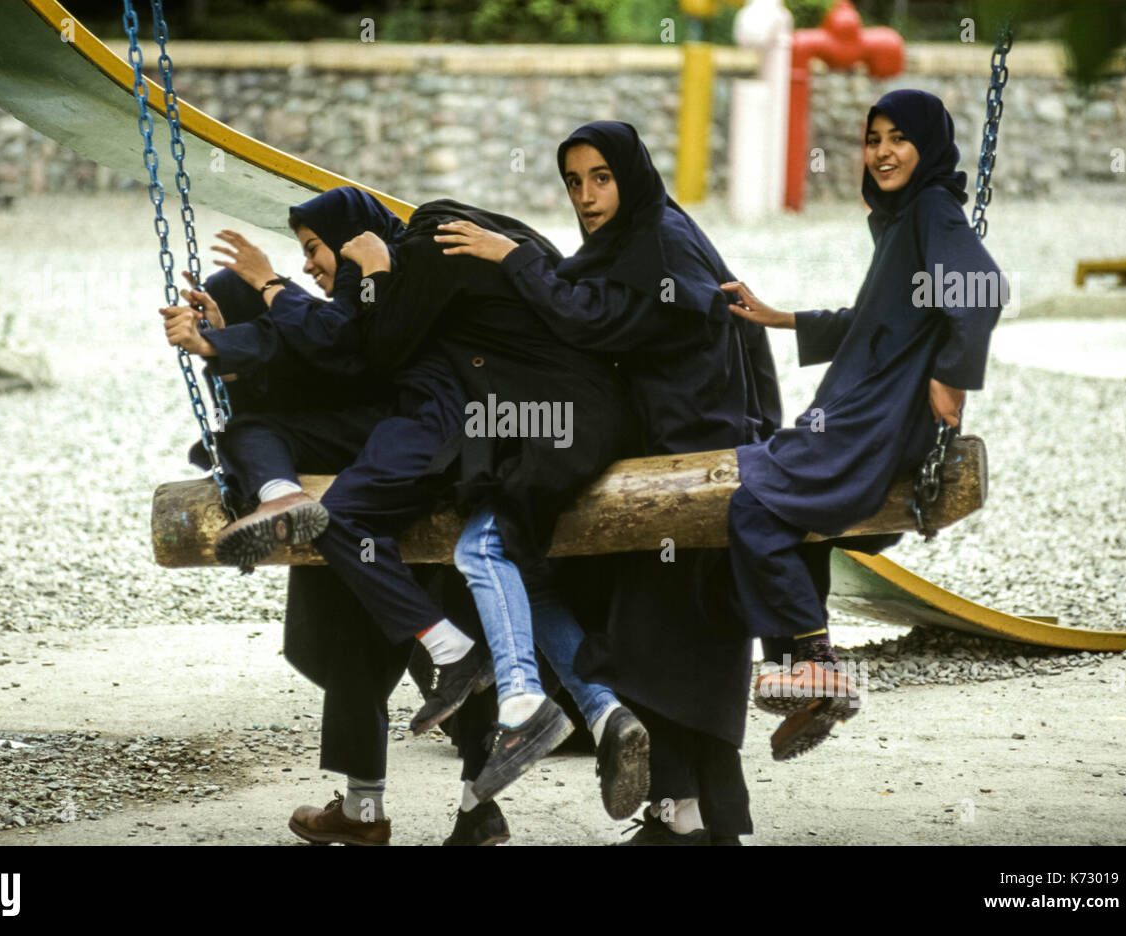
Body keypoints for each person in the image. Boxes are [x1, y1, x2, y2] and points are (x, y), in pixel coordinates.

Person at [437, 120, 783, 844]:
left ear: (630, 176)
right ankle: (684, 816)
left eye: (602, 178)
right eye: (573, 182)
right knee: (656, 646)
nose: (587, 197)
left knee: (678, 647)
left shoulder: (661, 238)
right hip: (668, 459)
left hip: (695, 465)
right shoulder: (632, 239)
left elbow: (593, 321)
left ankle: (688, 818)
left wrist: (512, 259)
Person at [161, 189, 503, 845]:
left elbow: (328, 346)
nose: (311, 266)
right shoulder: (365, 295)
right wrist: (225, 333)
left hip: (396, 484)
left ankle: (394, 809)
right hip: (398, 490)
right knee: (417, 650)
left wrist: (254, 298)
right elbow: (308, 344)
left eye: (316, 249)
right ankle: (460, 806)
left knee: (390, 652)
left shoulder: (383, 287)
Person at [723, 89, 1005, 759]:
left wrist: (951, 375)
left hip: (875, 419)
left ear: (928, 147)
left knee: (755, 507)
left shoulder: (932, 209)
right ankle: (805, 672)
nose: (882, 152)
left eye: (898, 138)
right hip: (861, 410)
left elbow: (982, 288)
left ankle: (814, 665)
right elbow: (873, 321)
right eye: (873, 137)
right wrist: (782, 317)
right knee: (800, 524)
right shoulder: (904, 221)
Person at [349, 198, 652, 817]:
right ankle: (607, 714)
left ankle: (521, 702)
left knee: (479, 548)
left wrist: (376, 268)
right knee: (528, 578)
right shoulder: (494, 239)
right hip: (581, 416)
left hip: (562, 422)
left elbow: (383, 348)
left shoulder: (433, 245)